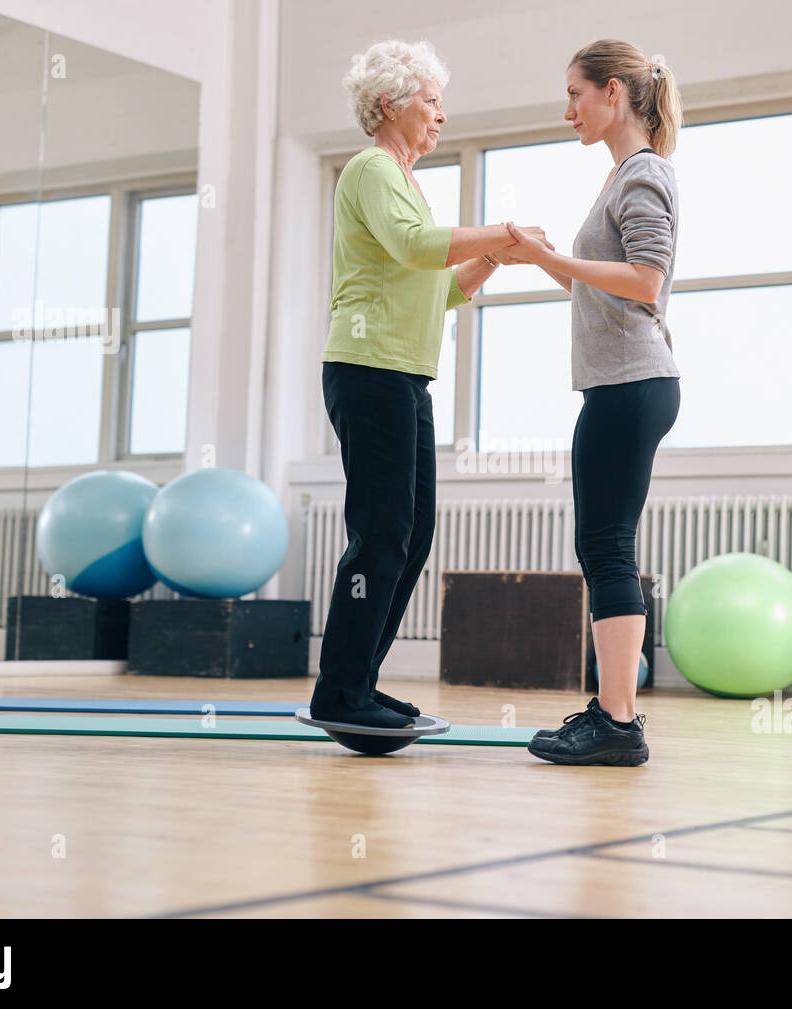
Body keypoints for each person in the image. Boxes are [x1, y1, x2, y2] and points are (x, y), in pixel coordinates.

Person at [313, 40, 550, 728]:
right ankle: (340, 693)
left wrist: (496, 259)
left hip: (403, 377)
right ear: (389, 105)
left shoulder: (407, 183)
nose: (442, 115)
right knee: (380, 535)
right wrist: (500, 231)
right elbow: (419, 247)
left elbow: (438, 289)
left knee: (410, 537)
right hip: (368, 370)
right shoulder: (371, 168)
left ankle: (359, 682)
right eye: (431, 100)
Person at [497, 39, 683, 765]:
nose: (567, 108)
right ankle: (615, 712)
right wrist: (542, 262)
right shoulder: (623, 177)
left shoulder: (642, 175)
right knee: (601, 546)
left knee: (607, 549)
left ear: (613, 94)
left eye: (575, 92)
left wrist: (551, 257)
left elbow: (645, 279)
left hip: (632, 383)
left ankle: (617, 720)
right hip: (622, 383)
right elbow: (602, 284)